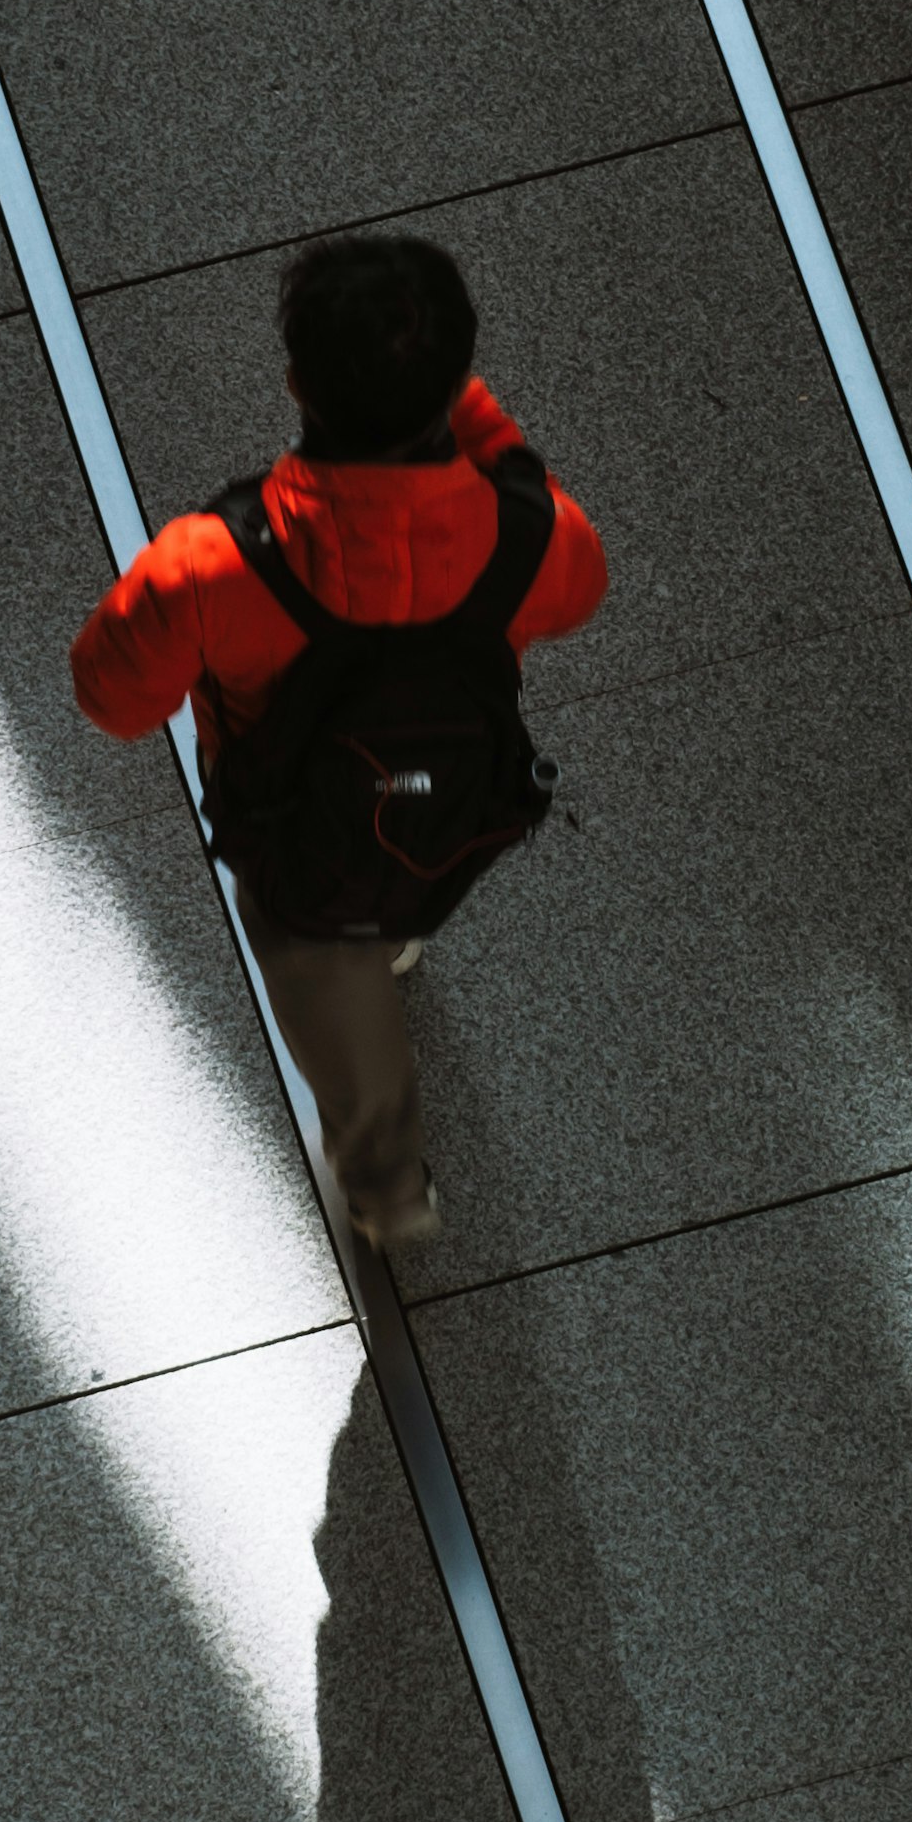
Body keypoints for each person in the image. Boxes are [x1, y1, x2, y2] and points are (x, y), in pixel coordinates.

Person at [70, 233, 605, 1256]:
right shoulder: (532, 537)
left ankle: (391, 1190)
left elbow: (112, 699)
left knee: (341, 1019)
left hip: (296, 843)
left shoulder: (212, 562)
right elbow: (583, 588)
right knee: (405, 883)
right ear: (456, 383)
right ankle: (404, 929)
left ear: (294, 381)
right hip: (453, 810)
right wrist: (479, 425)